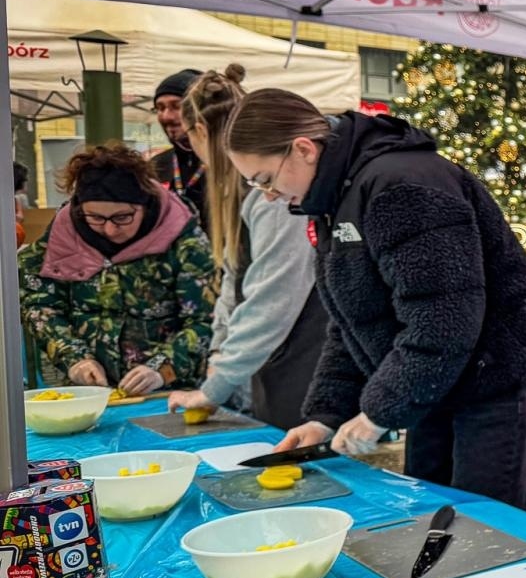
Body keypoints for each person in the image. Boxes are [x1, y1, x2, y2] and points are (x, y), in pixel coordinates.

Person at [223, 91, 526, 505]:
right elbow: (351, 322)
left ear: (303, 150)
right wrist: (325, 415)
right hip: (434, 380)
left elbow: (443, 319)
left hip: (493, 379)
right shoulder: (334, 200)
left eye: (265, 179)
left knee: (485, 529)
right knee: (428, 509)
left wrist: (379, 412)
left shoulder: (401, 187)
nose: (268, 196)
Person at [164, 66, 328, 430]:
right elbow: (234, 282)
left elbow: (273, 296)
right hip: (271, 362)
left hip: (305, 365)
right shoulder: (241, 192)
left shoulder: (272, 194)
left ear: (201, 131)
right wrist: (220, 355)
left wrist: (217, 383)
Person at [19, 143, 215, 393]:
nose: (110, 229)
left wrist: (162, 368)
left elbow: (206, 319)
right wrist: (74, 358)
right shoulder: (63, 235)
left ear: (145, 204)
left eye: (123, 217)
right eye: (96, 218)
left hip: (171, 393)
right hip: (90, 393)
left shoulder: (183, 238)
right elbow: (39, 303)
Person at [152, 68, 208, 230]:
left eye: (176, 106)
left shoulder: (230, 164)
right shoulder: (155, 166)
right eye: (160, 108)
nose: (166, 116)